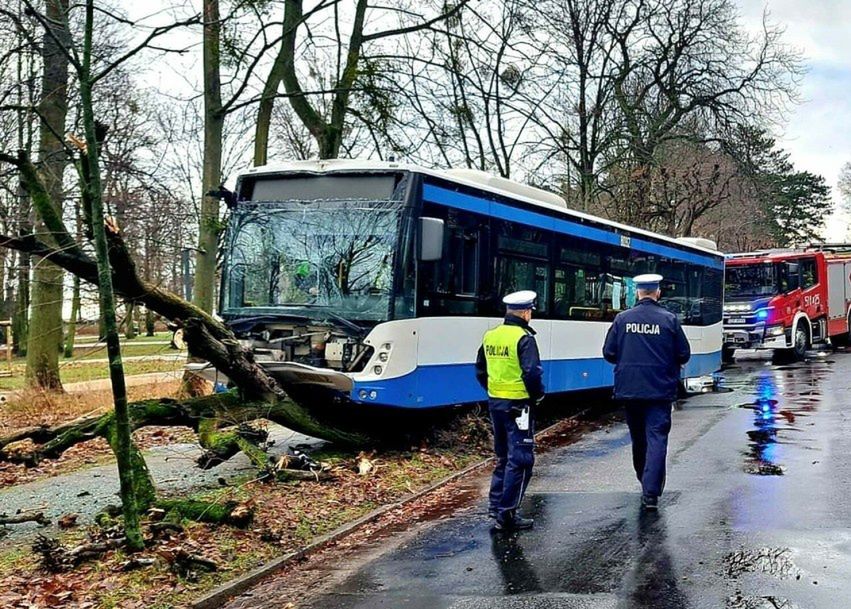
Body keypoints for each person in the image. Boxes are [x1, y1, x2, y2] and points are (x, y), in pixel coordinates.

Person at [602, 274, 690, 511]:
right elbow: (684, 354)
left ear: (638, 293)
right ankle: (650, 492)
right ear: (657, 293)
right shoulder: (669, 320)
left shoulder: (622, 319)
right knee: (657, 438)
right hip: (660, 390)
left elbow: (609, 353)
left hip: (629, 390)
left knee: (638, 438)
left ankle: (644, 478)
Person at [475, 290, 545, 530]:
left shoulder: (491, 336)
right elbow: (532, 373)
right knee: (522, 459)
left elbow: (480, 371)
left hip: (496, 403)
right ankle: (507, 515)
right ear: (526, 312)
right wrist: (537, 396)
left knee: (503, 456)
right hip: (519, 406)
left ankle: (495, 507)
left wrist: (494, 391)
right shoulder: (524, 338)